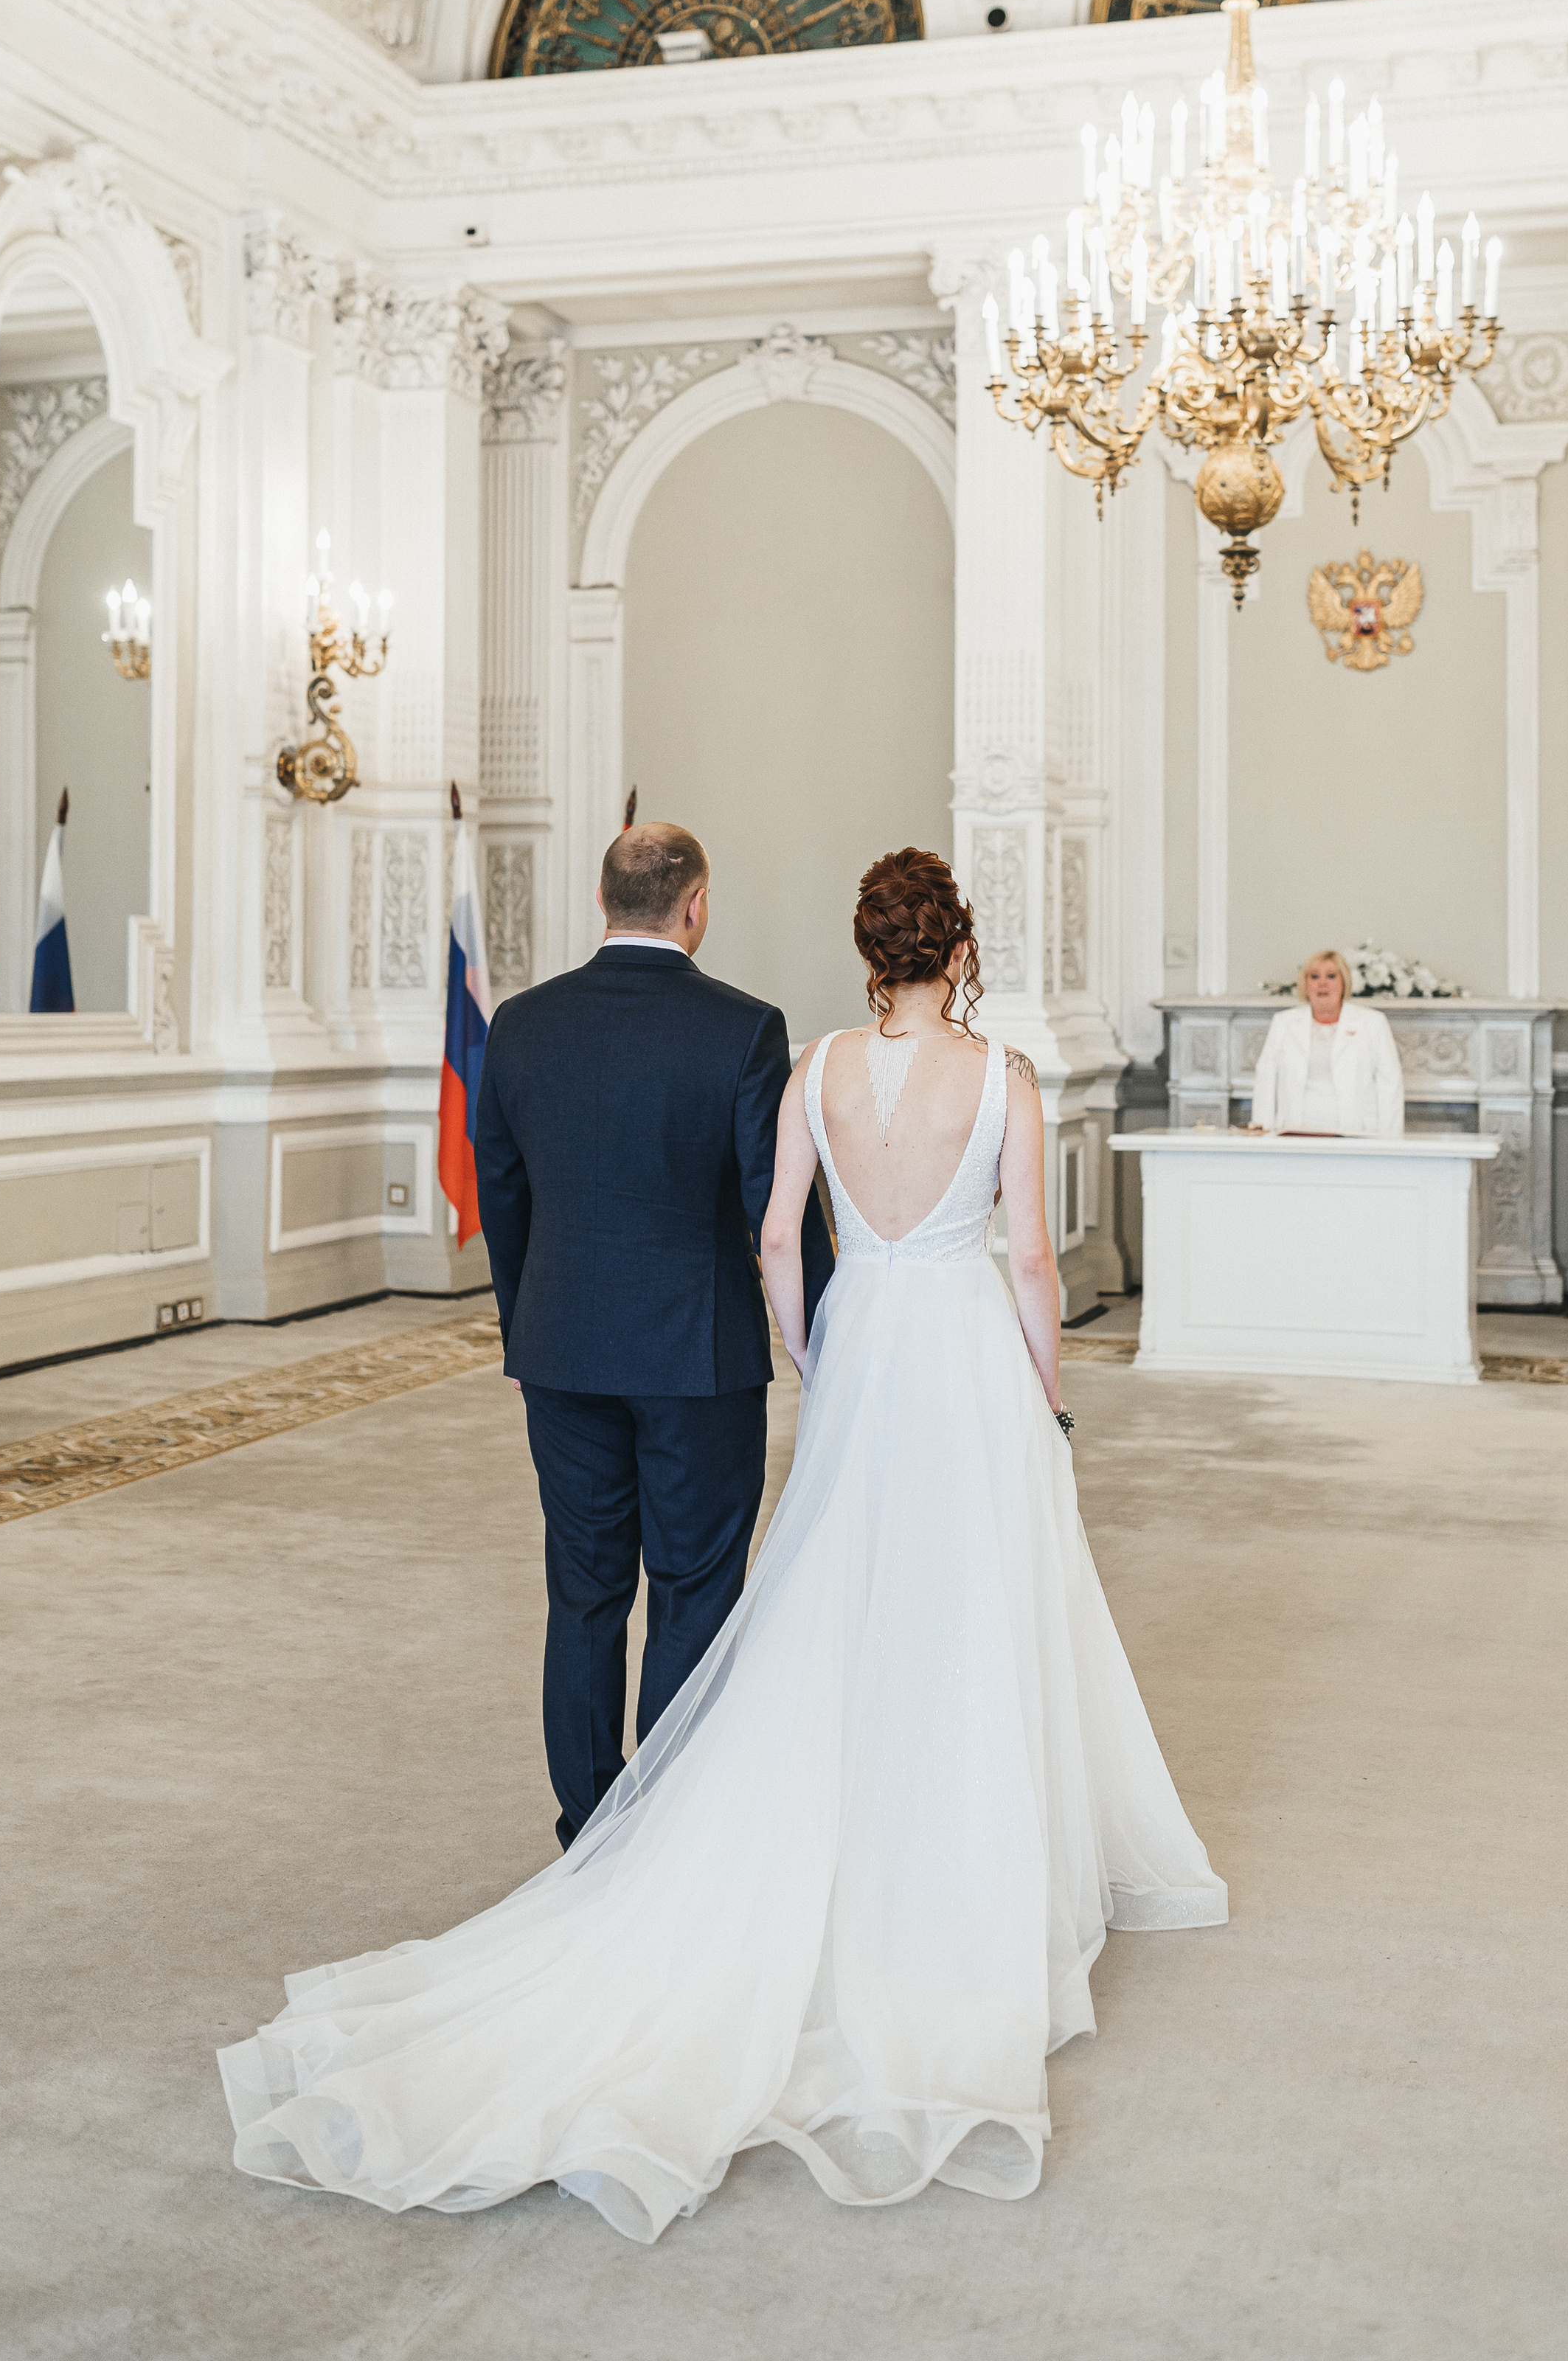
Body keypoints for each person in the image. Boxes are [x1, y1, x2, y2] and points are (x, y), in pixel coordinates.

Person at [218, 847, 1226, 2239]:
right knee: (914, 1600)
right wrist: (1039, 1394)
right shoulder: (926, 1063)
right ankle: (889, 1844)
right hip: (887, 1361)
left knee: (632, 1592)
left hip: (658, 1345)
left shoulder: (740, 1052)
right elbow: (1019, 1262)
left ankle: (614, 1835)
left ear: (866, 947)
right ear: (958, 948)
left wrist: (807, 1352)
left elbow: (734, 1230)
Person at [472, 819, 833, 1849]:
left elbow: (503, 1192)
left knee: (584, 1591)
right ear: (697, 905)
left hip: (561, 1347)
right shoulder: (744, 1028)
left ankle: (588, 1827)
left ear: (602, 902)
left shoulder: (521, 1024)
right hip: (697, 1356)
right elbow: (775, 1211)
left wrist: (522, 1323)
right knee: (693, 1587)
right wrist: (822, 1335)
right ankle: (669, 1828)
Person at [1250, 946, 1404, 1134]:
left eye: (1331, 976)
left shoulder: (1373, 1023)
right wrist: (1262, 1132)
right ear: (1306, 984)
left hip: (1356, 1135)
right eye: (1314, 977)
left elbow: (1390, 1084)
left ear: (1344, 982)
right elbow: (1265, 1080)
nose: (1322, 983)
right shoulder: (1284, 1023)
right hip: (1294, 1134)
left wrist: (1390, 1140)